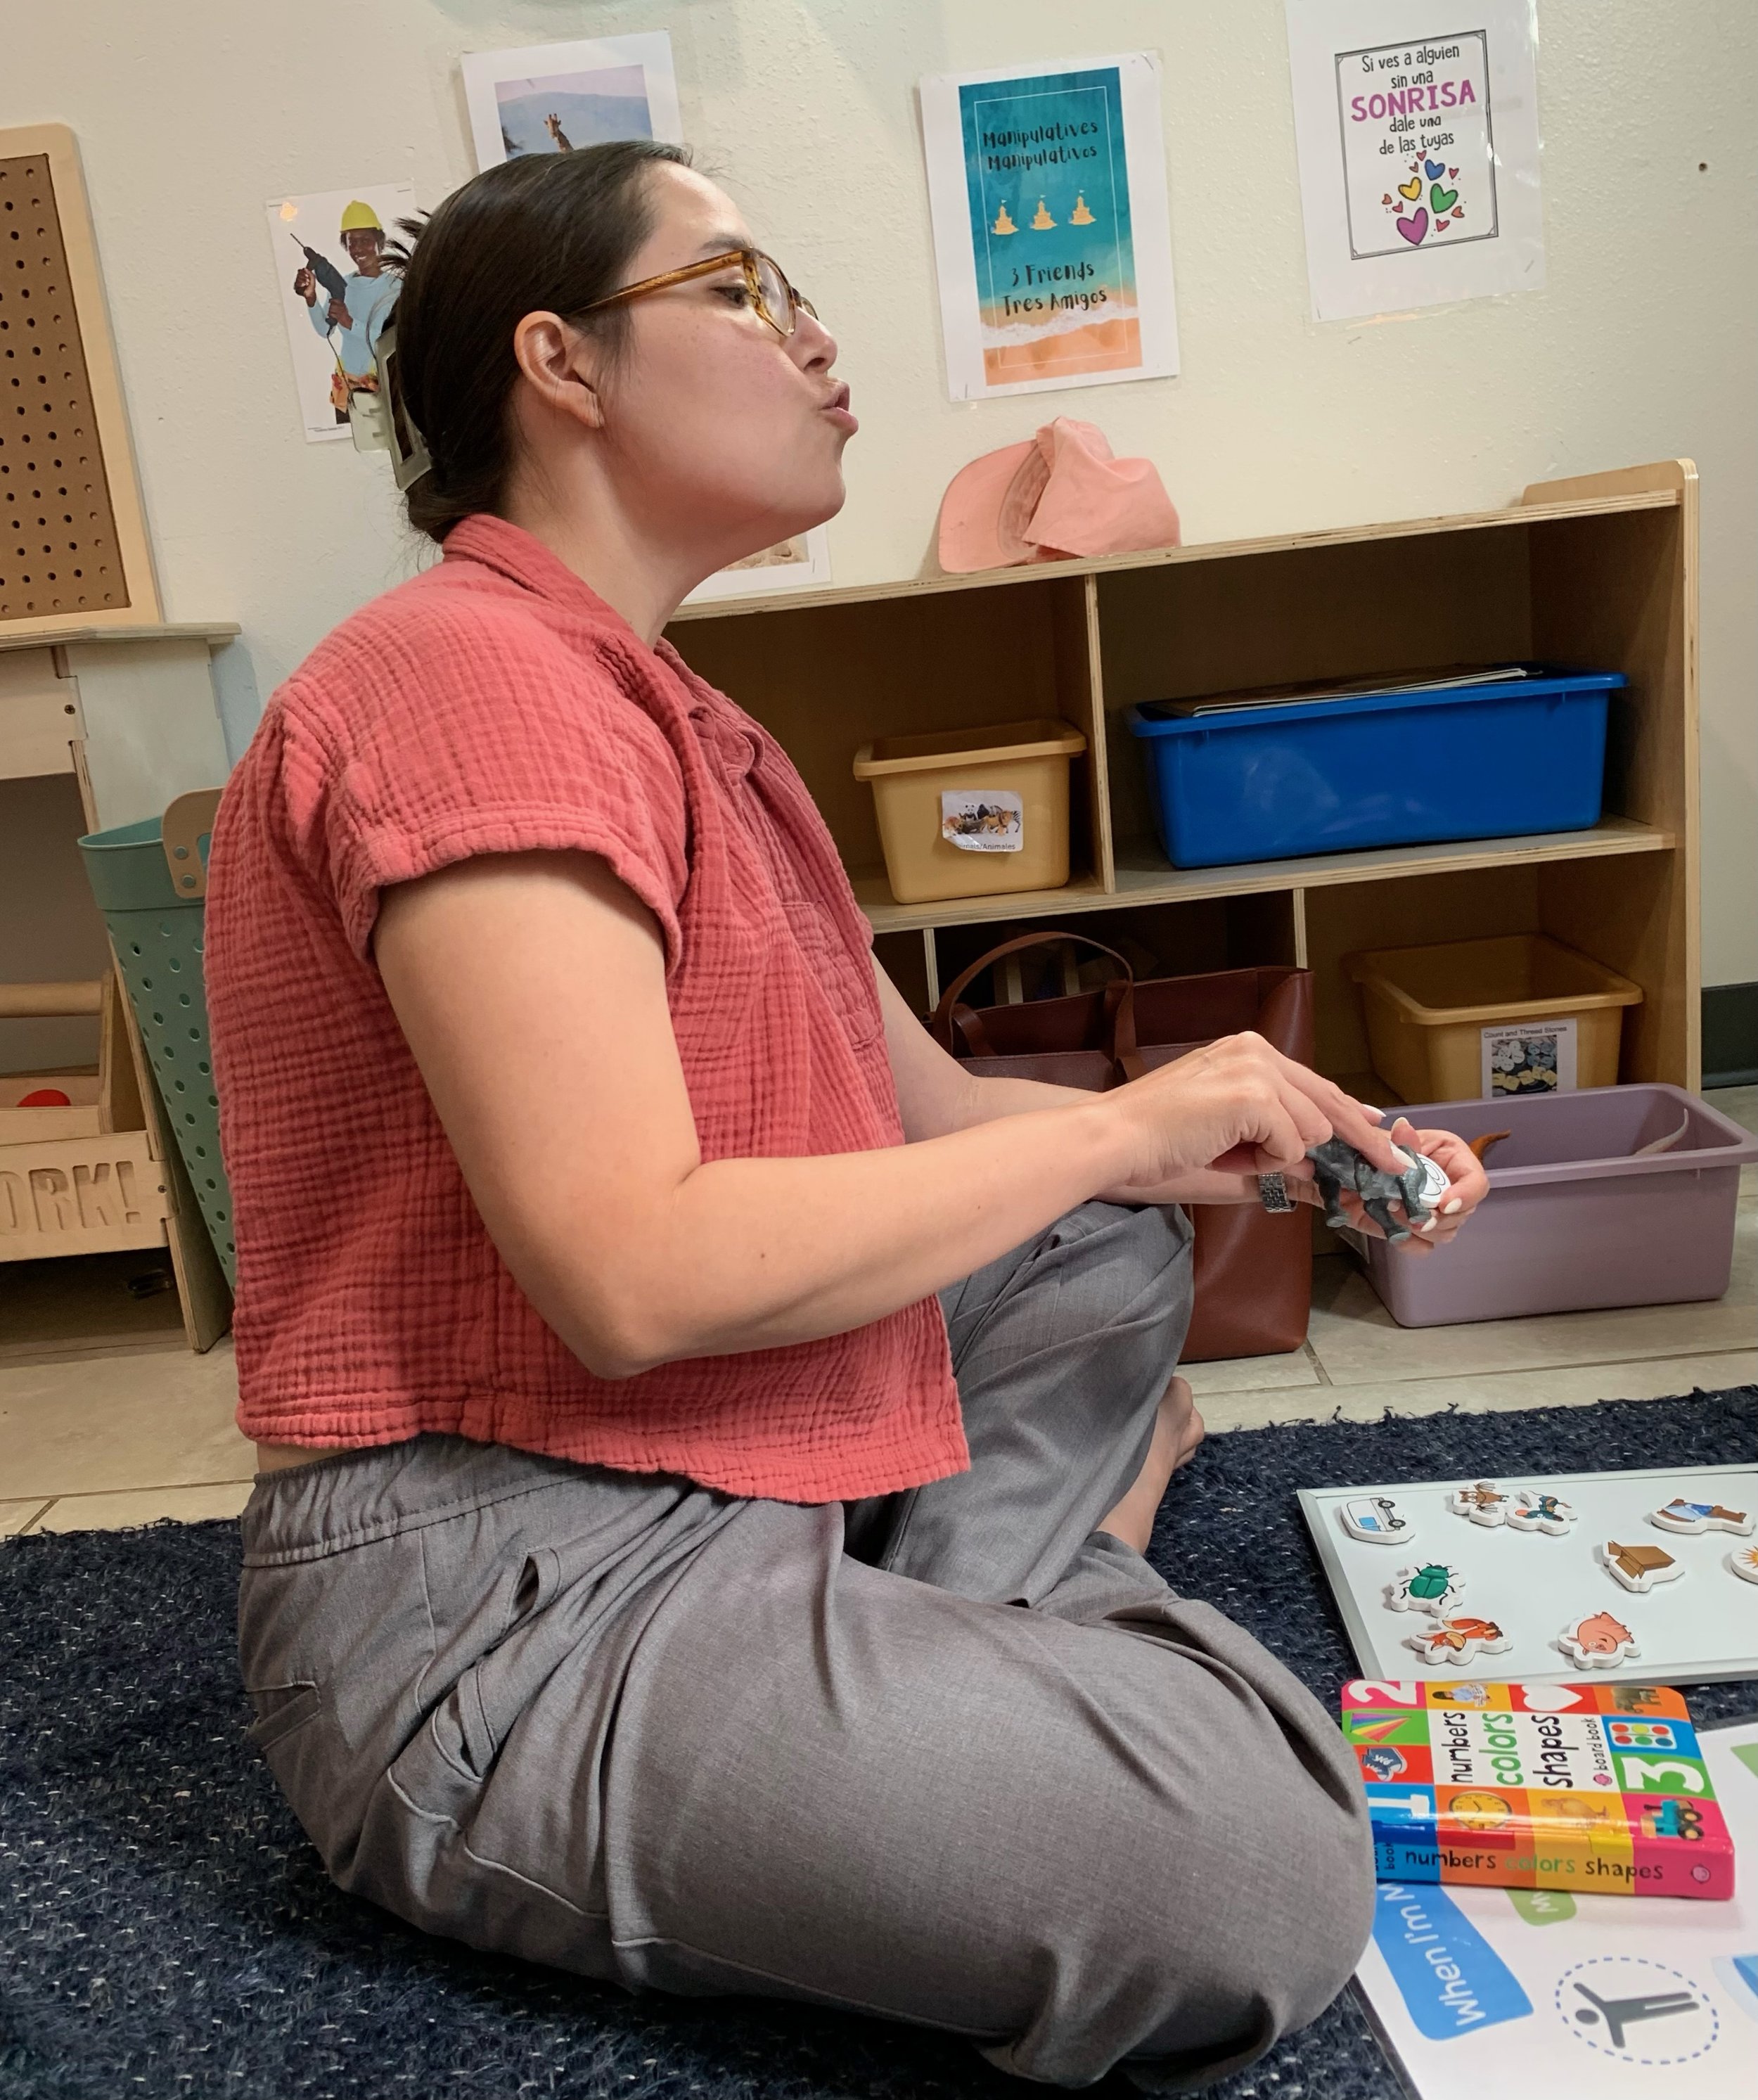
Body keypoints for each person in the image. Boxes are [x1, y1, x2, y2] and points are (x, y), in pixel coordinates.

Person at [207, 141, 1489, 2092]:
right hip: (499, 1594)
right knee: (1261, 1874)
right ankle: (1072, 1570)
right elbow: (629, 1270)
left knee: (1095, 1239)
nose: (814, 337)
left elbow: (948, 1112)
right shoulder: (474, 684)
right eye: (741, 285)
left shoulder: (682, 714)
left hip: (718, 1471)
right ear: (560, 362)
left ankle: (959, 1636)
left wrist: (1246, 1121)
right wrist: (1113, 1125)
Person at [292, 199, 400, 423]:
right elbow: (325, 330)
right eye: (352, 242)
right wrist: (311, 297)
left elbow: (390, 340)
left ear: (379, 241)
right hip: (346, 387)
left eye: (365, 241)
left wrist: (349, 322)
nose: (358, 249)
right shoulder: (342, 285)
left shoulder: (396, 287)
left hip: (382, 387)